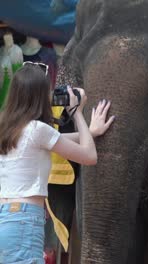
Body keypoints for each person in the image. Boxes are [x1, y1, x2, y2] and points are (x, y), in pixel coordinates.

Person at [0, 62, 115, 263]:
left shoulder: (7, 127)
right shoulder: (37, 130)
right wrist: (76, 112)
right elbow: (89, 156)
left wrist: (92, 132)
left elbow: (56, 141)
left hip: (5, 218)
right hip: (24, 220)